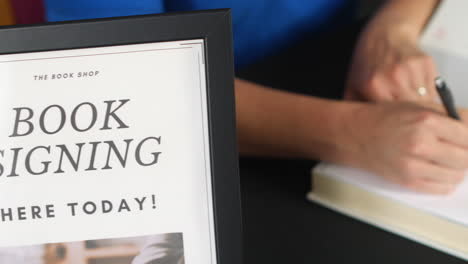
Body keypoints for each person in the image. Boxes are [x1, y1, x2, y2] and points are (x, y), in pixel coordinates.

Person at [40, 0, 468, 194]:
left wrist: (392, 26)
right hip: (201, 130)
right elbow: (120, 80)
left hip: (342, 58)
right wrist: (346, 134)